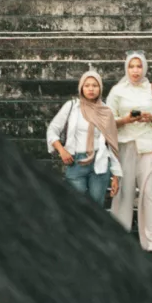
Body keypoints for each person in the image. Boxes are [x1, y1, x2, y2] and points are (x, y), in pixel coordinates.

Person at [108, 51, 152, 251]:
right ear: (126, 68)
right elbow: (107, 120)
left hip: (149, 147)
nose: (135, 70)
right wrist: (126, 120)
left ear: (144, 67)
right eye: (131, 66)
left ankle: (151, 240)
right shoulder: (117, 91)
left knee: (150, 194)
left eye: (138, 66)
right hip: (125, 145)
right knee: (123, 194)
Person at [46, 69, 122, 206]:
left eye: (95, 85)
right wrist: (62, 150)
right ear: (81, 88)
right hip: (76, 162)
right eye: (87, 86)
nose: (91, 89)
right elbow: (52, 130)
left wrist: (116, 176)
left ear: (100, 88)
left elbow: (112, 144)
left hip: (100, 164)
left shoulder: (106, 112)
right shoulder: (72, 106)